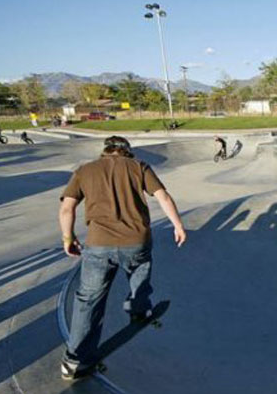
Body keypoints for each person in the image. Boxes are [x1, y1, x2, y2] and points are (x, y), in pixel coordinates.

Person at [58, 135, 187, 381]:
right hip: (135, 242)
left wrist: (68, 238)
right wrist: (178, 225)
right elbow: (163, 197)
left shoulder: (85, 170)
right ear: (127, 151)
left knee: (88, 301)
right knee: (139, 276)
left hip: (98, 245)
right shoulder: (139, 166)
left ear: (105, 151)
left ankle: (74, 360)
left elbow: (67, 208)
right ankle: (139, 311)